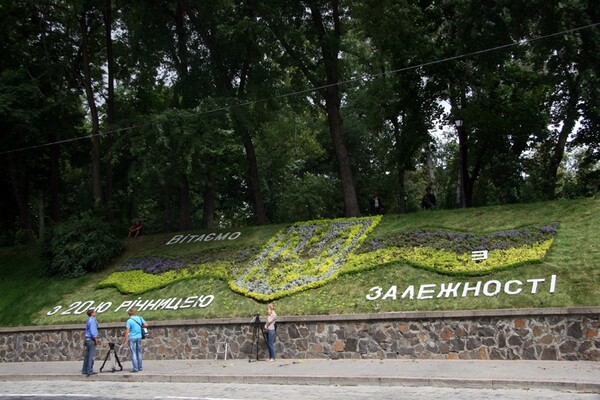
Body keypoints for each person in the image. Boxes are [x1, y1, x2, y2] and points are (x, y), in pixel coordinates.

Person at [124, 308, 148, 372]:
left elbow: (127, 331)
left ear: (128, 314)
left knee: (133, 353)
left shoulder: (129, 321)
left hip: (132, 337)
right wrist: (140, 327)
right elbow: (146, 325)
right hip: (139, 337)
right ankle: (140, 367)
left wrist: (126, 340)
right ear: (134, 312)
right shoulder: (139, 318)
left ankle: (135, 368)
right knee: (139, 352)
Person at [81, 308, 99, 377]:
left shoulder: (88, 320)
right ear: (91, 313)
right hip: (91, 340)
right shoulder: (92, 321)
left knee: (87, 355)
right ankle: (89, 370)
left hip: (87, 339)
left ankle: (84, 370)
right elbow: (93, 331)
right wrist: (95, 339)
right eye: (94, 312)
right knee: (91, 356)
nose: (95, 313)